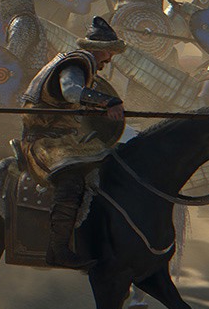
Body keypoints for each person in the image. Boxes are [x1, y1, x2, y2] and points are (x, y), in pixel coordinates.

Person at [18, 18, 128, 269]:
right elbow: (70, 91)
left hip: (60, 138)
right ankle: (58, 249)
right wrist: (108, 102)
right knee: (71, 180)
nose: (110, 59)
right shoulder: (77, 62)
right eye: (109, 52)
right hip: (43, 141)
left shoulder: (79, 63)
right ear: (99, 49)